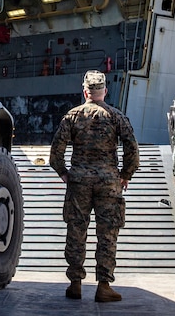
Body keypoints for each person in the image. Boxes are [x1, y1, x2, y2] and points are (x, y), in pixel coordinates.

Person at [49, 70, 140, 303]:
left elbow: (55, 152)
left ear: (85, 92)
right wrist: (125, 175)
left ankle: (75, 284)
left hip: (79, 182)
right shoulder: (116, 116)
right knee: (107, 233)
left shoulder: (72, 116)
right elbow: (132, 148)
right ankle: (104, 286)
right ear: (105, 91)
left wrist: (64, 173)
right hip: (109, 182)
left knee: (76, 231)